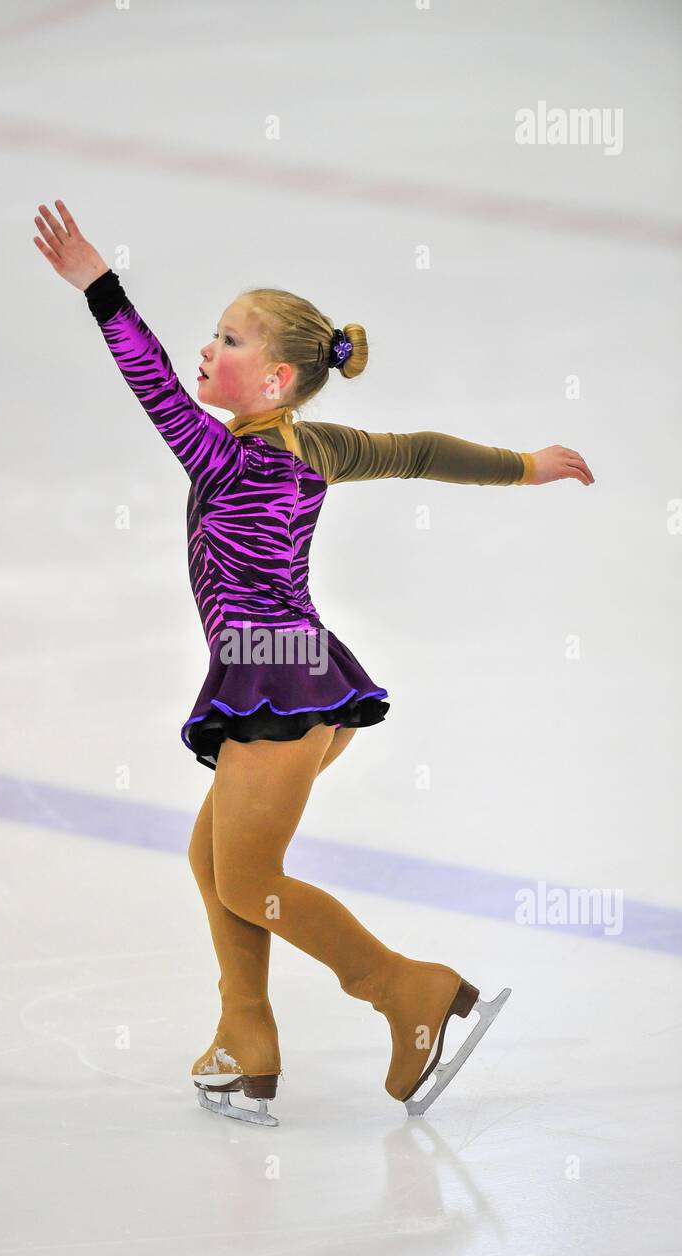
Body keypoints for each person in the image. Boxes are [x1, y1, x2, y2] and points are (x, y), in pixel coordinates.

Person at [33, 199, 594, 1126]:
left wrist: (99, 285)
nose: (205, 348)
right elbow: (417, 450)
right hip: (300, 673)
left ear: (276, 377)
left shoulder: (222, 456)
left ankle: (403, 989)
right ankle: (245, 1035)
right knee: (214, 860)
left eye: (227, 339)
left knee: (248, 880)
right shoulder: (313, 444)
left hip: (275, 685)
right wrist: (522, 466)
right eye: (212, 333)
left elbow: (148, 377)